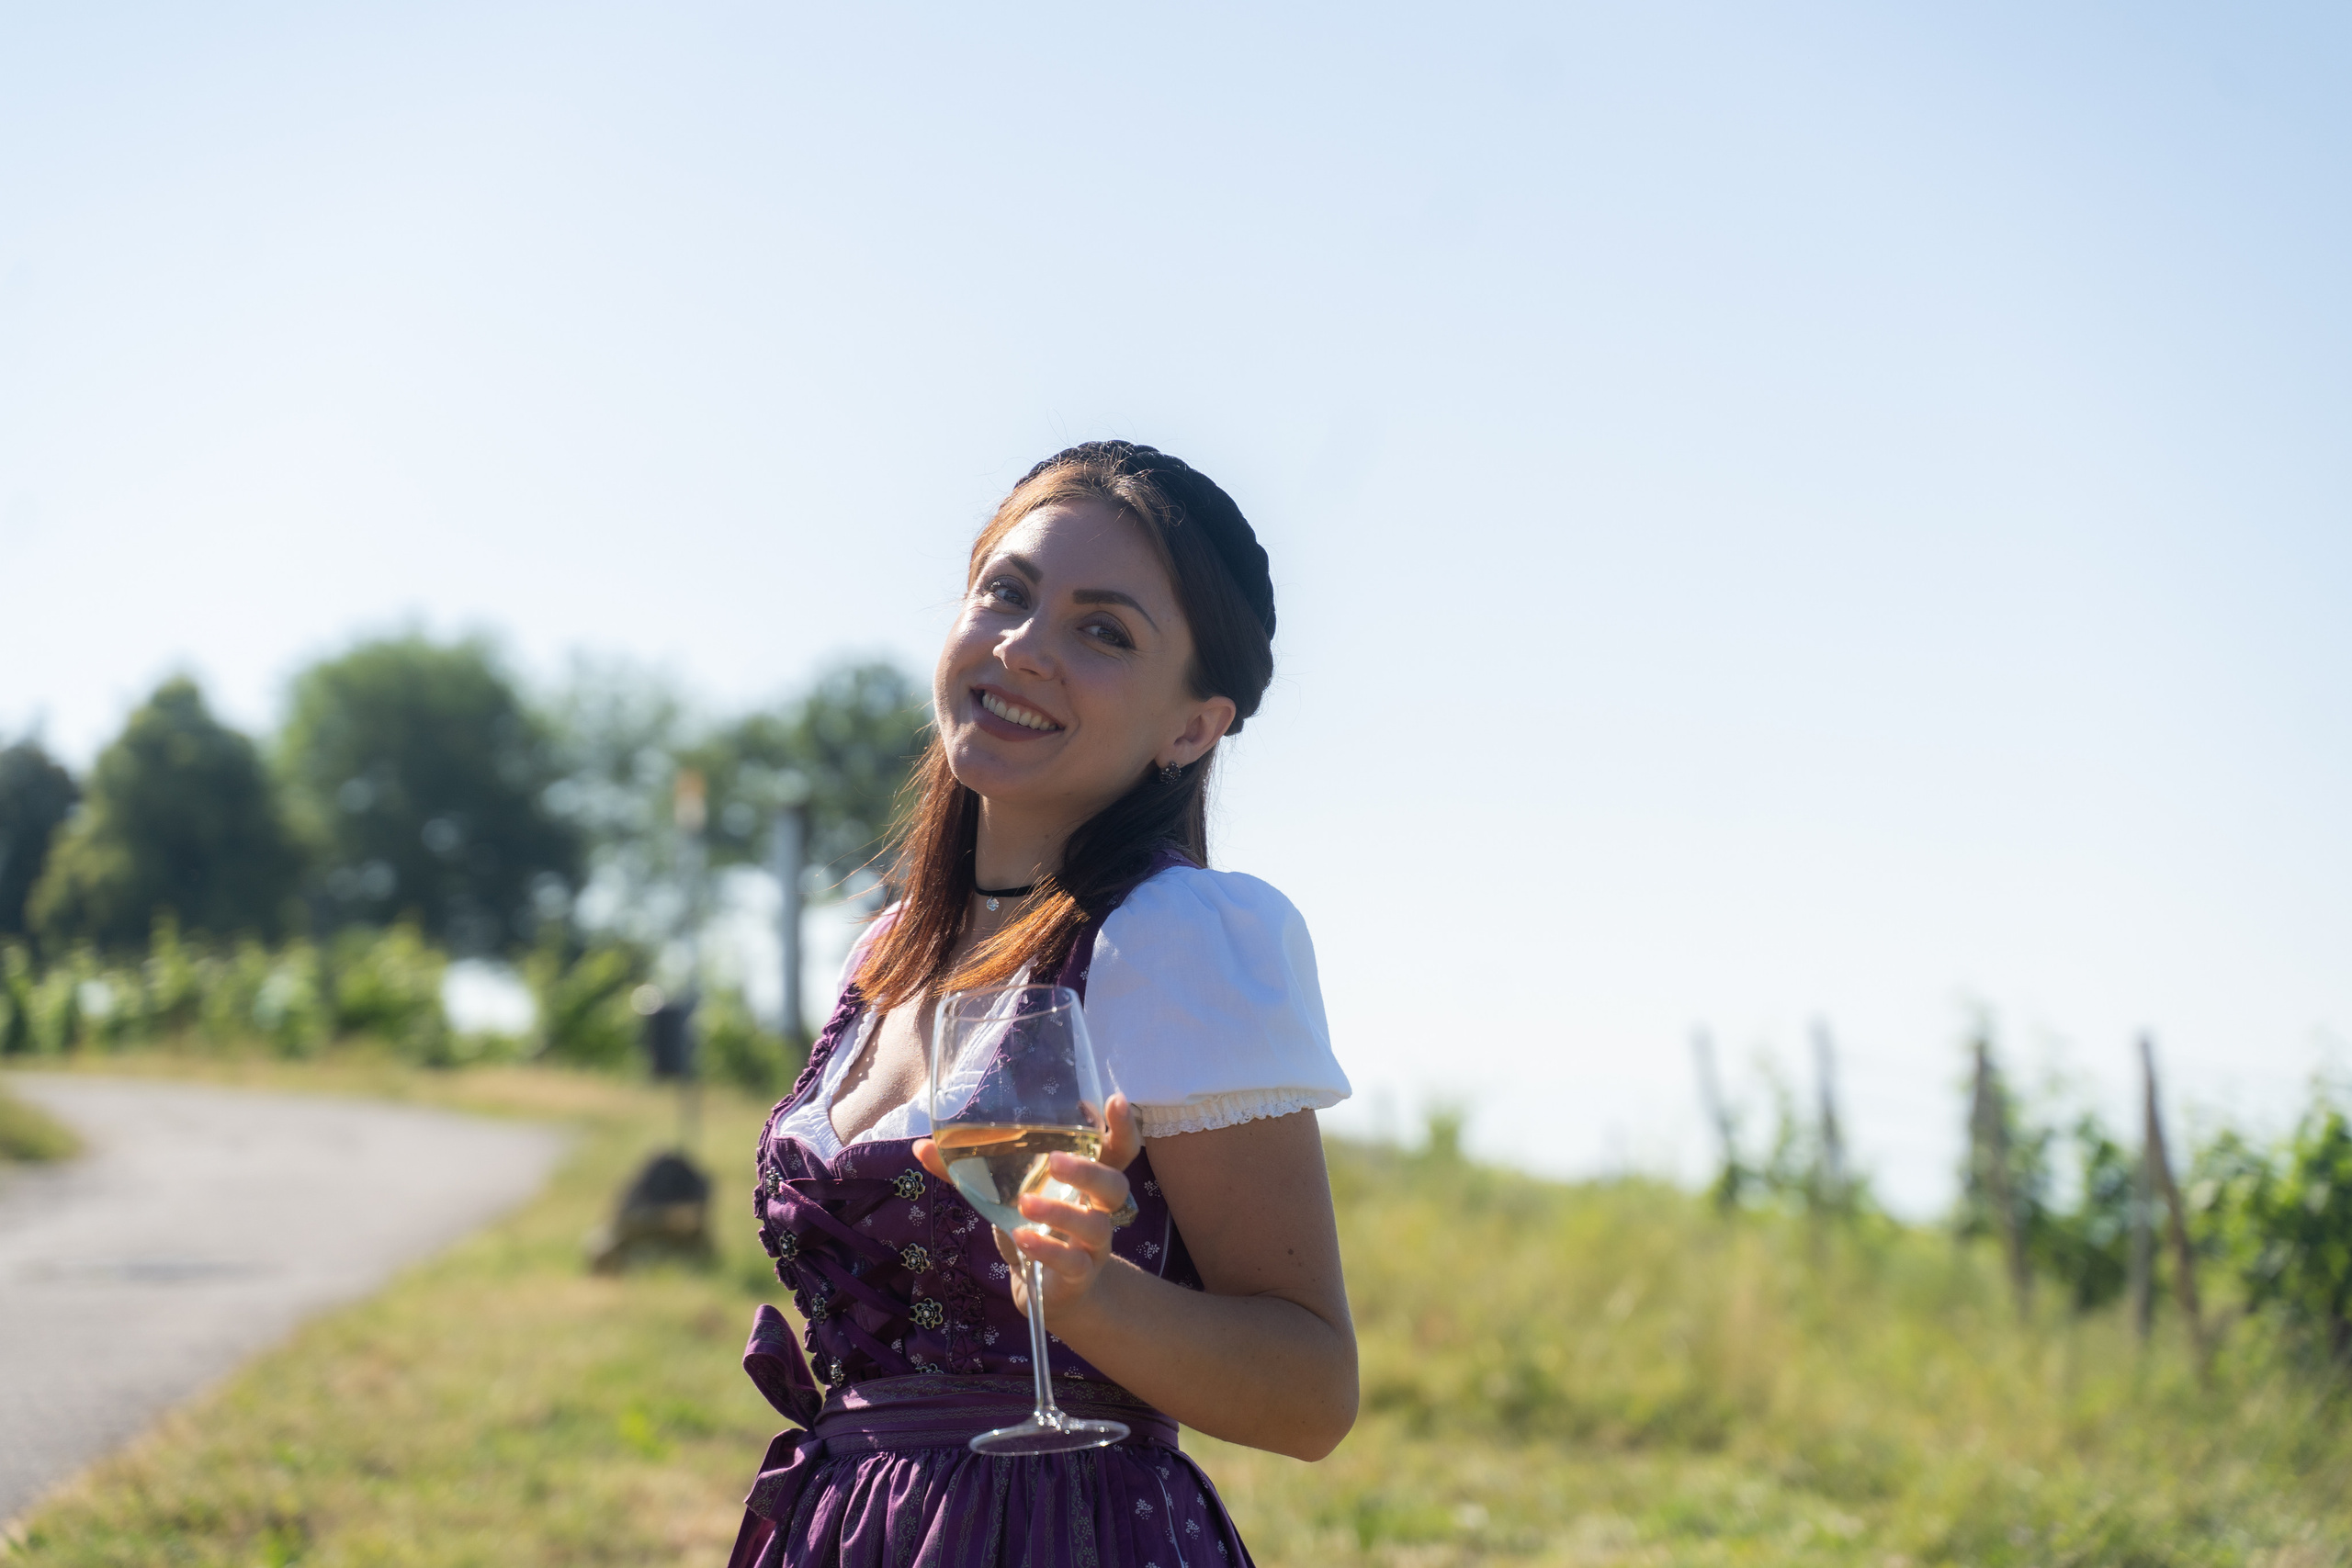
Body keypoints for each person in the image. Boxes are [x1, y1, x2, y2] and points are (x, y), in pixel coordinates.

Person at [728, 442, 1356, 1567]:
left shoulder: (1171, 940)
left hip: (1059, 1533)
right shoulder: (885, 954)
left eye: (1102, 631)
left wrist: (1091, 1297)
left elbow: (1310, 1394)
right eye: (1005, 593)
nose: (1023, 647)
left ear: (1191, 728)